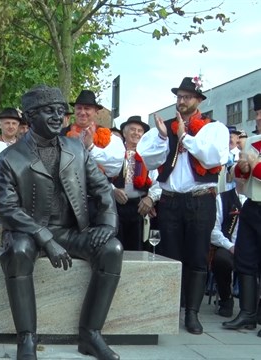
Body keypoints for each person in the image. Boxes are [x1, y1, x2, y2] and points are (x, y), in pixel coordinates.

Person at [0, 85, 123, 360]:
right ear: (30, 116)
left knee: (112, 249)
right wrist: (44, 238)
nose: (58, 117)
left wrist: (108, 225)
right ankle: (27, 340)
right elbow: (5, 208)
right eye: (49, 111)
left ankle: (91, 335)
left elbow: (102, 189)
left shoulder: (76, 148)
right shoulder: (11, 157)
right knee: (17, 252)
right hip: (28, 232)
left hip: (70, 231)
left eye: (60, 112)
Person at [137, 76, 229, 335]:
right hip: (170, 201)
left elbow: (213, 157)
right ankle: (169, 309)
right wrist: (165, 139)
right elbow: (150, 160)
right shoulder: (164, 128)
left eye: (187, 96)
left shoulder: (214, 128)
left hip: (201, 199)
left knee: (198, 257)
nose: (181, 100)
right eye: (179, 96)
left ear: (198, 100)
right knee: (171, 256)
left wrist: (184, 137)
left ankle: (192, 313)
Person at [222, 93, 261, 337]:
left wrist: (254, 165)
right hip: (252, 205)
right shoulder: (254, 140)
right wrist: (243, 167)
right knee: (245, 260)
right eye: (257, 113)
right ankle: (247, 313)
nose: (258, 118)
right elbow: (240, 176)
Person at [111, 116, 160, 251]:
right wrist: (112, 190)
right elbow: (101, 176)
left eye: (140, 131)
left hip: (139, 207)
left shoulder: (148, 156)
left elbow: (159, 183)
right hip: (115, 206)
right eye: (132, 129)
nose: (136, 133)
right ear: (124, 133)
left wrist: (150, 198)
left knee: (136, 249)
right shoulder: (114, 153)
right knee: (115, 248)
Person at [63, 90, 124, 178]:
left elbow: (114, 168)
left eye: (87, 108)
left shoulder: (109, 136)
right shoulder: (62, 134)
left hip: (96, 188)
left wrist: (91, 147)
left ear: (96, 111)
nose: (82, 112)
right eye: (79, 108)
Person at [210, 188, 246, 317]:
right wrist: (230, 246)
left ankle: (255, 306)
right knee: (221, 260)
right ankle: (226, 299)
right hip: (229, 246)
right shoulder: (223, 198)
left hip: (252, 249)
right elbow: (213, 231)